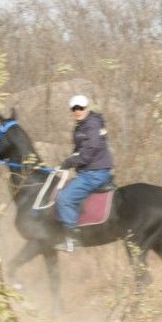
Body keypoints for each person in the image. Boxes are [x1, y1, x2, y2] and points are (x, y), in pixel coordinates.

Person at [54, 95, 114, 252]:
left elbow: (90, 150)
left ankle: (73, 240)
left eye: (80, 108)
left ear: (86, 108)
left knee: (63, 198)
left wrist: (72, 162)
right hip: (88, 170)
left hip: (94, 172)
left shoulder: (92, 124)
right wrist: (69, 161)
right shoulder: (81, 125)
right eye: (74, 109)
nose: (77, 111)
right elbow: (80, 150)